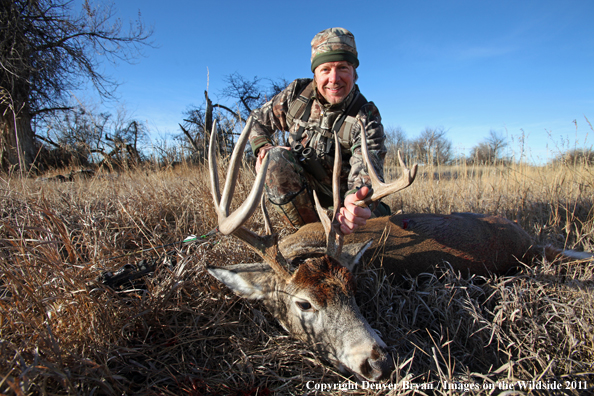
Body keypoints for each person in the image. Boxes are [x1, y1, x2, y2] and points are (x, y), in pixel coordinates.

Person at [248, 27, 388, 235]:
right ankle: (305, 234)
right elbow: (256, 121)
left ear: (354, 72)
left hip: (343, 211)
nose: (334, 78)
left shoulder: (366, 117)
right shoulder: (296, 95)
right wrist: (262, 148)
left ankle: (328, 235)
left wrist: (356, 201)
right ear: (315, 72)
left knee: (365, 229)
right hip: (304, 203)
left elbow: (366, 173)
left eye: (342, 67)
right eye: (325, 69)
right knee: (274, 158)